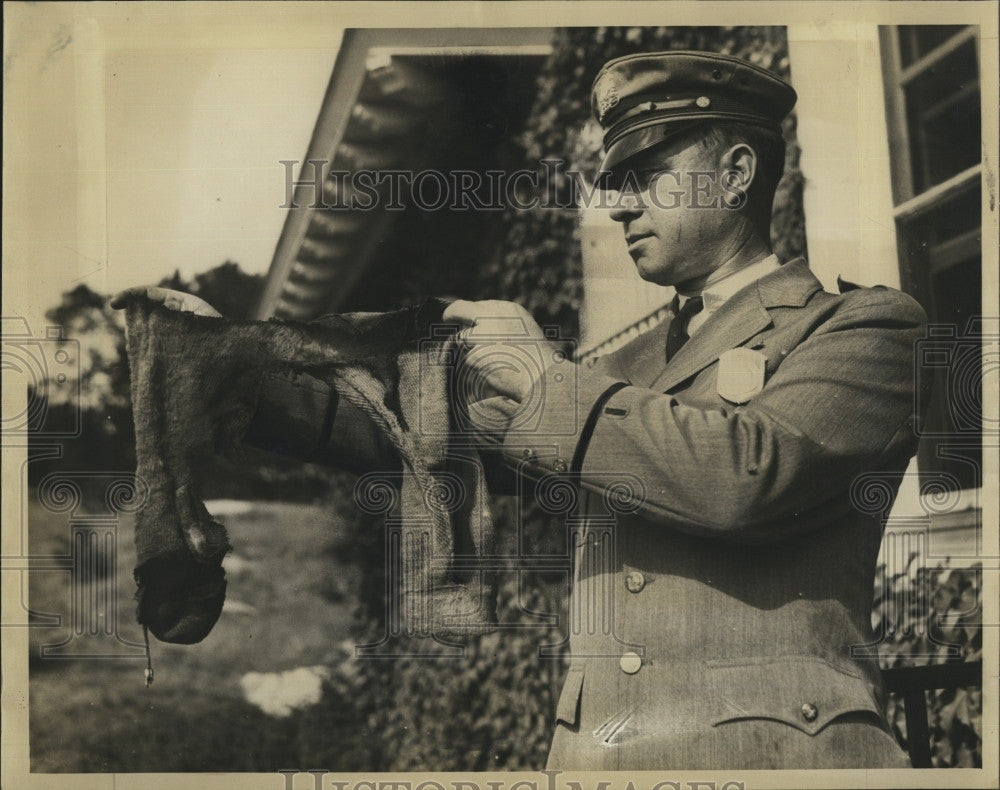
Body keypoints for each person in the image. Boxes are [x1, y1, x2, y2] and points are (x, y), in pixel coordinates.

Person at [113, 50, 925, 769]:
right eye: (615, 183)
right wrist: (231, 373)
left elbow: (746, 473)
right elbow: (424, 433)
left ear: (739, 173)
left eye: (647, 176)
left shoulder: (863, 327)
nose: (619, 205)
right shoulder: (630, 363)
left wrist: (542, 378)